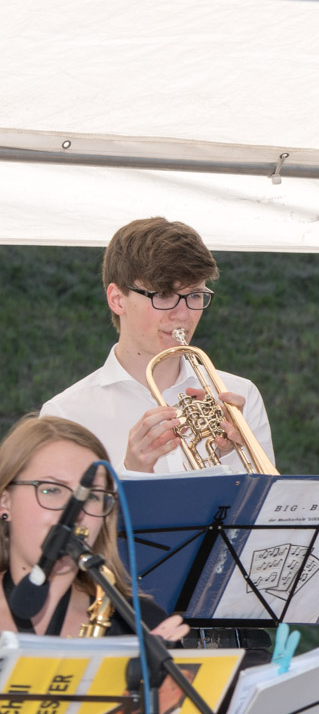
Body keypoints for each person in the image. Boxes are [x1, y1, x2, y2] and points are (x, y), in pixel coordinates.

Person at [41, 217, 275, 475]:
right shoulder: (66, 415)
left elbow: (267, 500)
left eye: (195, 295)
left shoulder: (241, 395)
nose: (183, 315)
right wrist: (131, 471)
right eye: (163, 295)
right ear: (117, 299)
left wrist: (231, 452)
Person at [0, 415, 188, 639]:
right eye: (52, 490)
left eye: (91, 495)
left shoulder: (142, 625)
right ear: (4, 502)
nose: (75, 512)